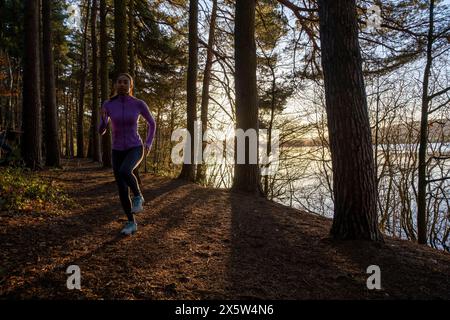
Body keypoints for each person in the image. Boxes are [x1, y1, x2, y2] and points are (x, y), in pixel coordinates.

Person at [98, 73, 156, 235]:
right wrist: (103, 120)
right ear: (115, 85)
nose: (122, 84)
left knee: (125, 171)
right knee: (122, 189)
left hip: (135, 147)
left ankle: (138, 196)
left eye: (126, 82)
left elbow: (152, 123)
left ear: (130, 86)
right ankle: (131, 223)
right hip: (117, 151)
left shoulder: (138, 104)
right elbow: (101, 131)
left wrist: (149, 142)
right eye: (119, 82)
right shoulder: (108, 104)